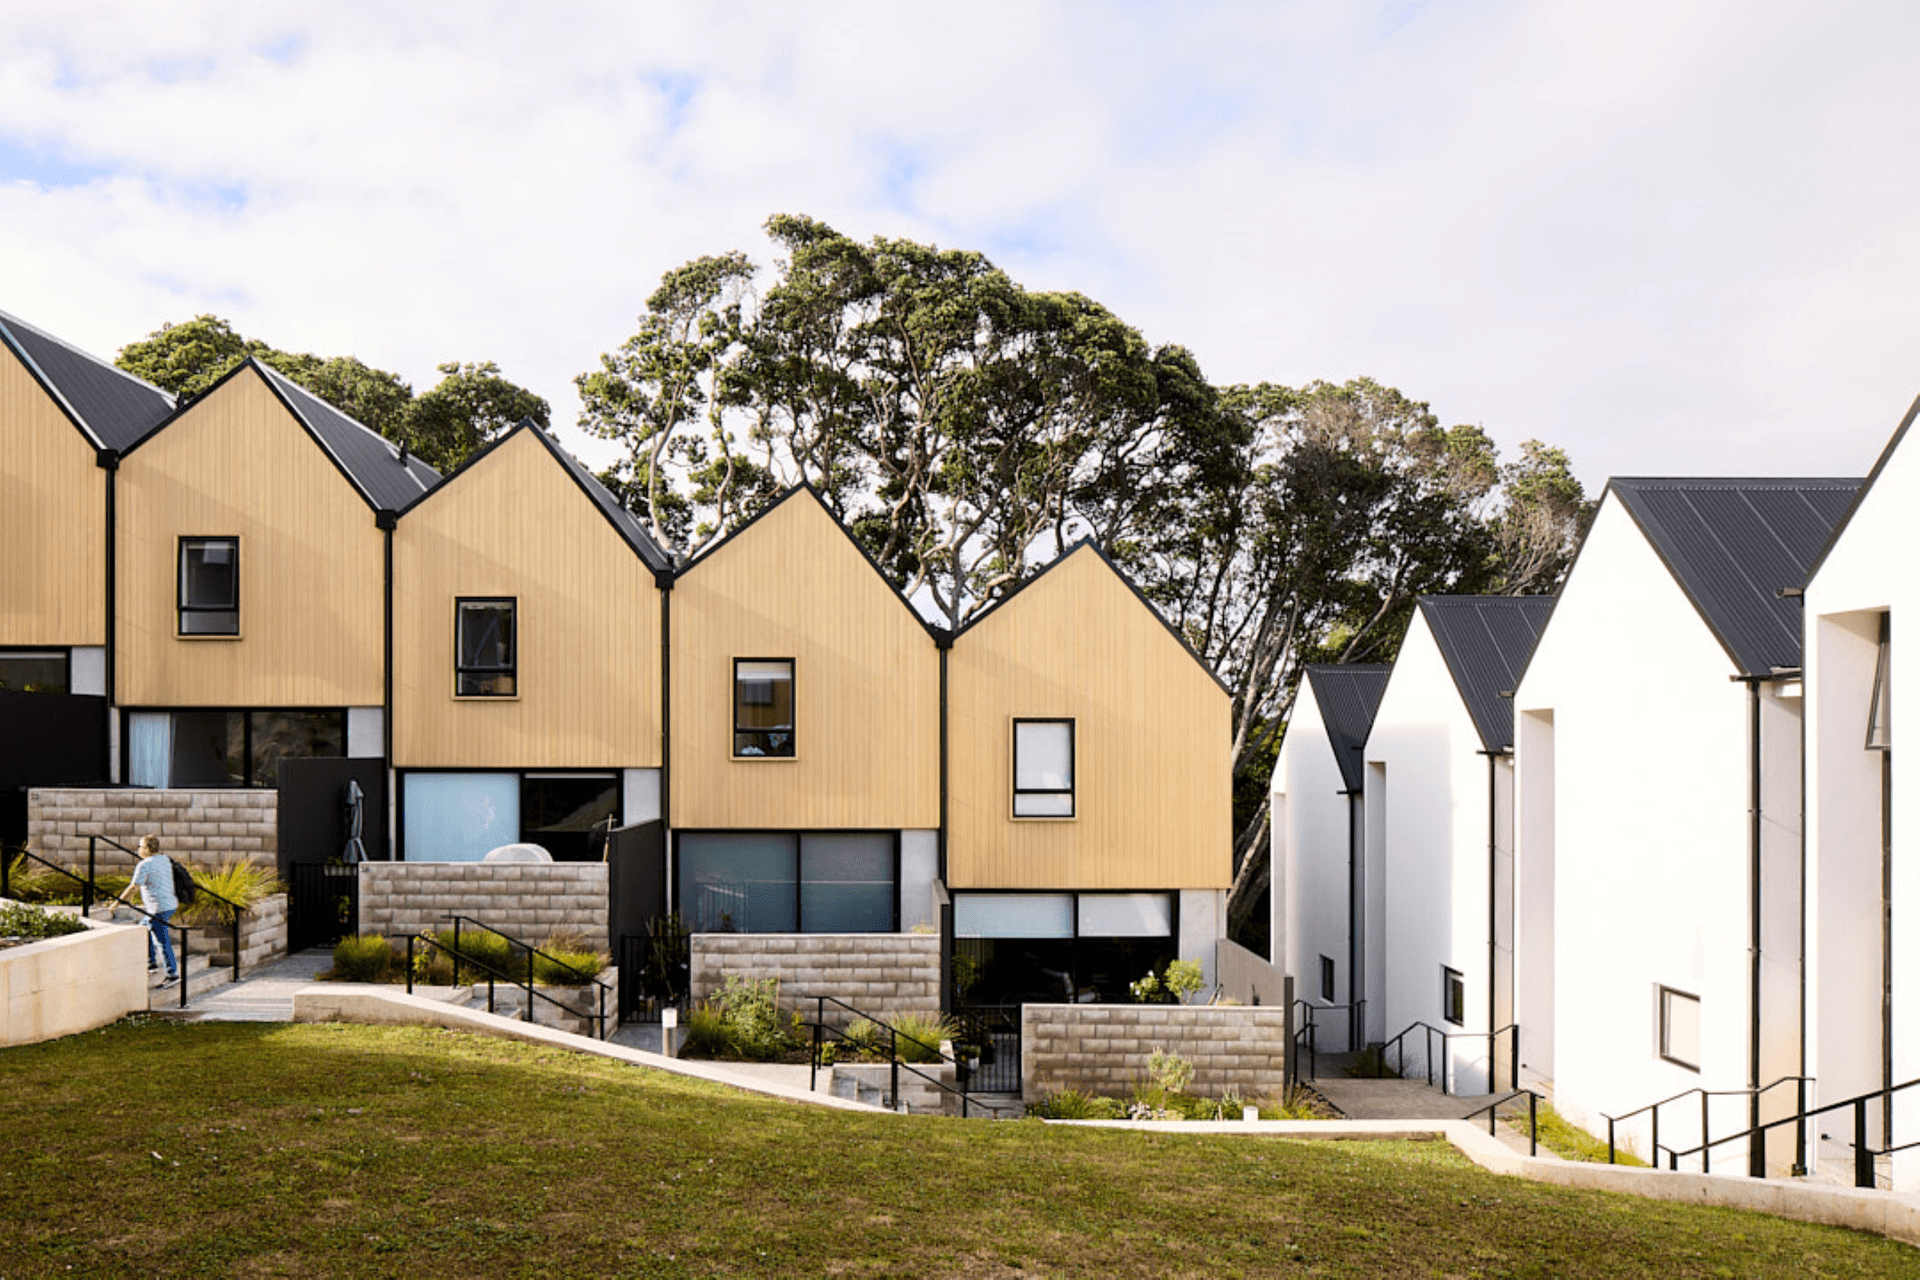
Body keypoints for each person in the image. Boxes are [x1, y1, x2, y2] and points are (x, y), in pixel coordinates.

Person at [115, 834, 178, 986]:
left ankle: (172, 974)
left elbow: (134, 887)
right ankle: (151, 963)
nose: (138, 849)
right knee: (144, 927)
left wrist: (116, 903)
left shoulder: (145, 864)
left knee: (162, 942)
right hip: (169, 905)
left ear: (148, 849)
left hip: (157, 909)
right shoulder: (164, 860)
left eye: (140, 846)